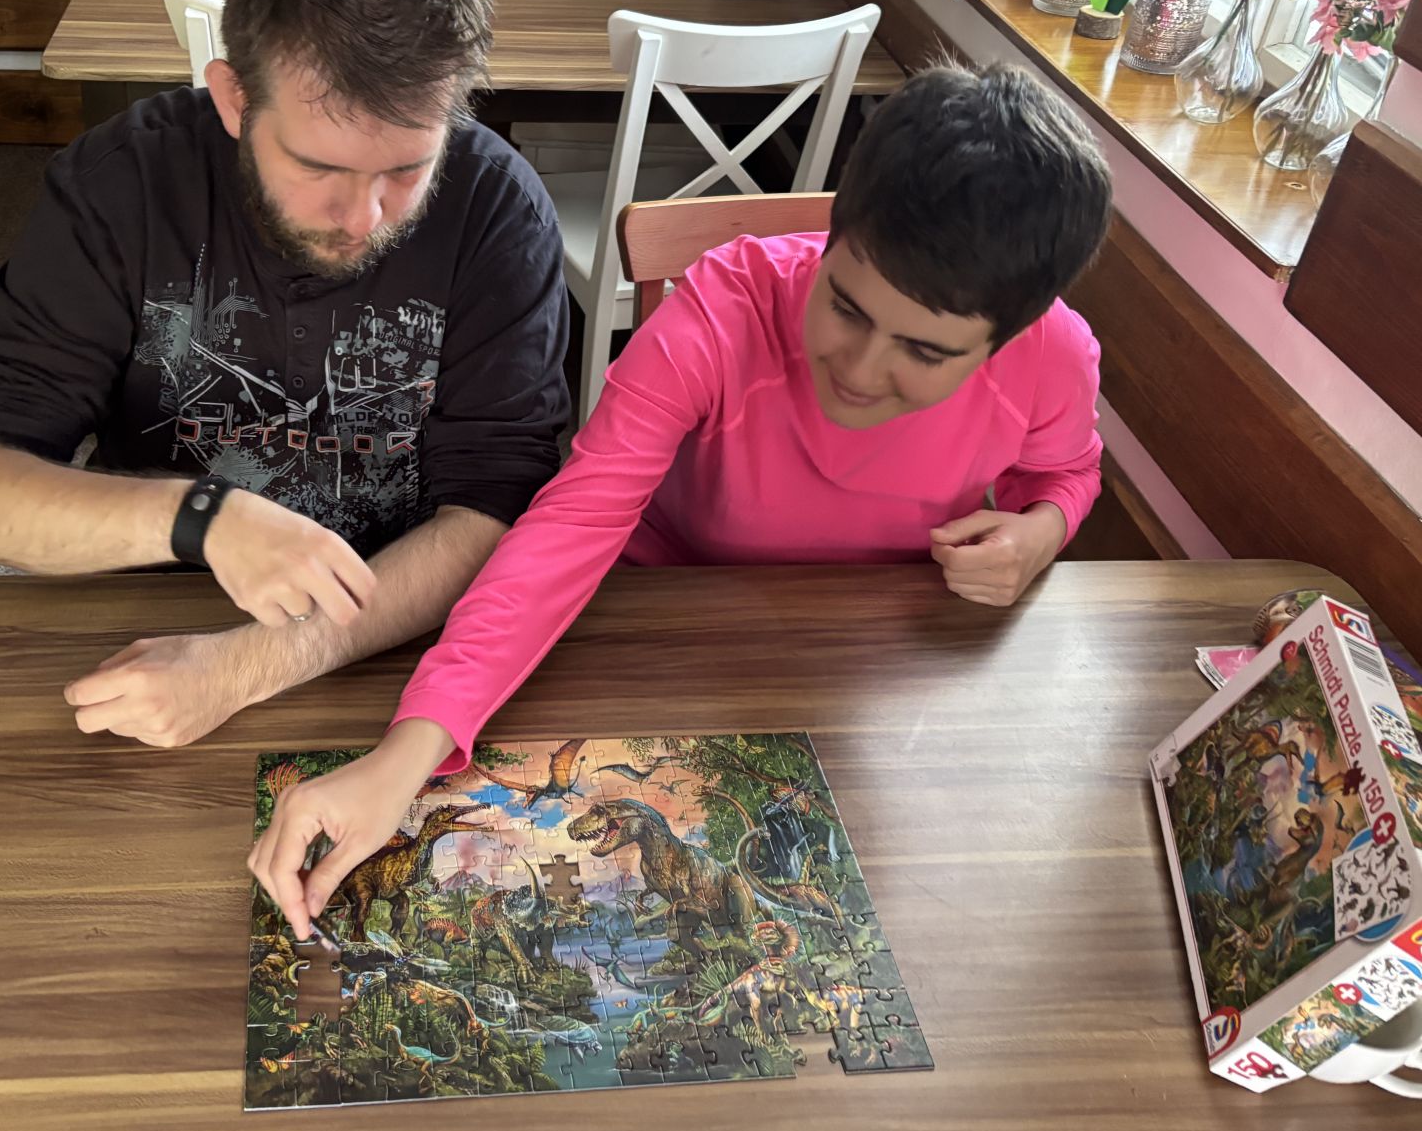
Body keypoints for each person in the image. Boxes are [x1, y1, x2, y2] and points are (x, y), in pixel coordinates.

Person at [249, 61, 1115, 936]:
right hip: (661, 632)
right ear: (832, 238)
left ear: (1010, 338)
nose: (859, 369)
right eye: (846, 306)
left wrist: (1043, 531)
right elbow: (571, 523)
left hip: (876, 673)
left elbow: (1068, 473)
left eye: (923, 352)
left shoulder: (1056, 357)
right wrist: (409, 748)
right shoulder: (722, 309)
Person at [0, 0, 570, 748]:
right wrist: (203, 518)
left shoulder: (498, 209)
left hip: (399, 634)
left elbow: (494, 513)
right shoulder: (120, 185)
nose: (364, 217)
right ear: (233, 98)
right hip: (151, 619)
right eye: (319, 168)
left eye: (405, 169)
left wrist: (249, 666)